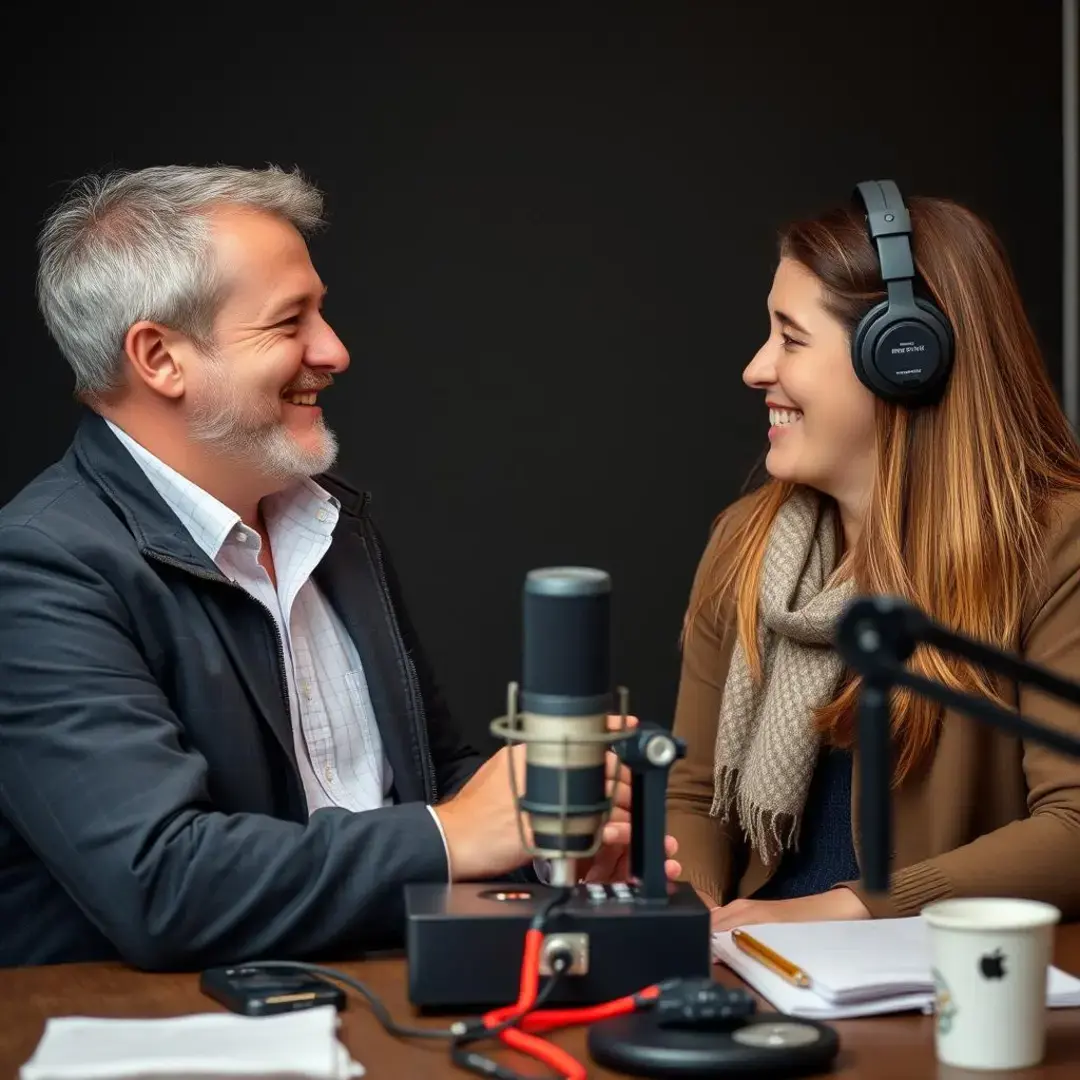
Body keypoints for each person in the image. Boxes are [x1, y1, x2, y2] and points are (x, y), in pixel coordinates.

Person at [0, 164, 679, 969]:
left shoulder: (333, 522)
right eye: (291, 322)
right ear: (160, 358)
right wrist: (458, 832)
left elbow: (423, 784)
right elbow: (163, 886)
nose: (335, 350)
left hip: (385, 1001)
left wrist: (546, 831)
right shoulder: (38, 568)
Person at [666, 180, 1080, 931]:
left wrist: (849, 909)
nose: (756, 369)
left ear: (904, 356)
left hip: (940, 988)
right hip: (758, 970)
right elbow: (695, 794)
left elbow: (1077, 826)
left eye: (791, 339)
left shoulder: (1058, 546)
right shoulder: (744, 542)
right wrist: (690, 915)